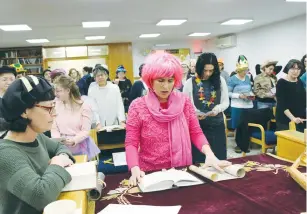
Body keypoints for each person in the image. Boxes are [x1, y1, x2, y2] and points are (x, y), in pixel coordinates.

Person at [125, 52, 231, 186]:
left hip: (181, 172)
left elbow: (195, 132)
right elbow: (131, 142)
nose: (166, 86)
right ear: (150, 80)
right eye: (160, 80)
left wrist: (209, 154)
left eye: (170, 81)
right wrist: (134, 167)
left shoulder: (184, 102)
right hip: (150, 173)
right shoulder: (138, 106)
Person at [0, 75, 74, 214]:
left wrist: (62, 156)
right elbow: (41, 195)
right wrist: (58, 163)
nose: (55, 113)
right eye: (48, 108)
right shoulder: (5, 153)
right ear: (24, 111)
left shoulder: (36, 136)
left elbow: (60, 147)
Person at [183, 53, 229, 160]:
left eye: (211, 70)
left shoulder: (220, 81)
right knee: (199, 159)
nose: (208, 73)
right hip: (197, 126)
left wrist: (217, 109)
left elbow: (225, 102)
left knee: (219, 156)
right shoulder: (190, 82)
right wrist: (195, 113)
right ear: (199, 68)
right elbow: (186, 104)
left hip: (217, 124)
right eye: (205, 70)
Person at [51, 75, 100, 160]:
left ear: (68, 91)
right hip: (61, 148)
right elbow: (54, 128)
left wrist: (74, 140)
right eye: (55, 91)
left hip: (80, 146)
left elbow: (85, 130)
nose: (56, 94)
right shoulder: (55, 105)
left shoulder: (84, 106)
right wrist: (57, 140)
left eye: (58, 91)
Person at [276, 59, 306, 132]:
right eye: (293, 68)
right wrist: (293, 118)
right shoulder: (281, 83)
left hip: (300, 118)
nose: (296, 71)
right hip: (286, 119)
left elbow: (303, 100)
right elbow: (282, 104)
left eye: (298, 69)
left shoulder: (300, 82)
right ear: (287, 68)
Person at [228, 55, 254, 130]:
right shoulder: (232, 79)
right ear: (238, 69)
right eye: (243, 70)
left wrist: (251, 95)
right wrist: (239, 96)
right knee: (238, 127)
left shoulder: (247, 78)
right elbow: (228, 93)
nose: (245, 72)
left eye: (246, 70)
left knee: (248, 127)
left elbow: (249, 90)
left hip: (248, 105)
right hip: (237, 106)